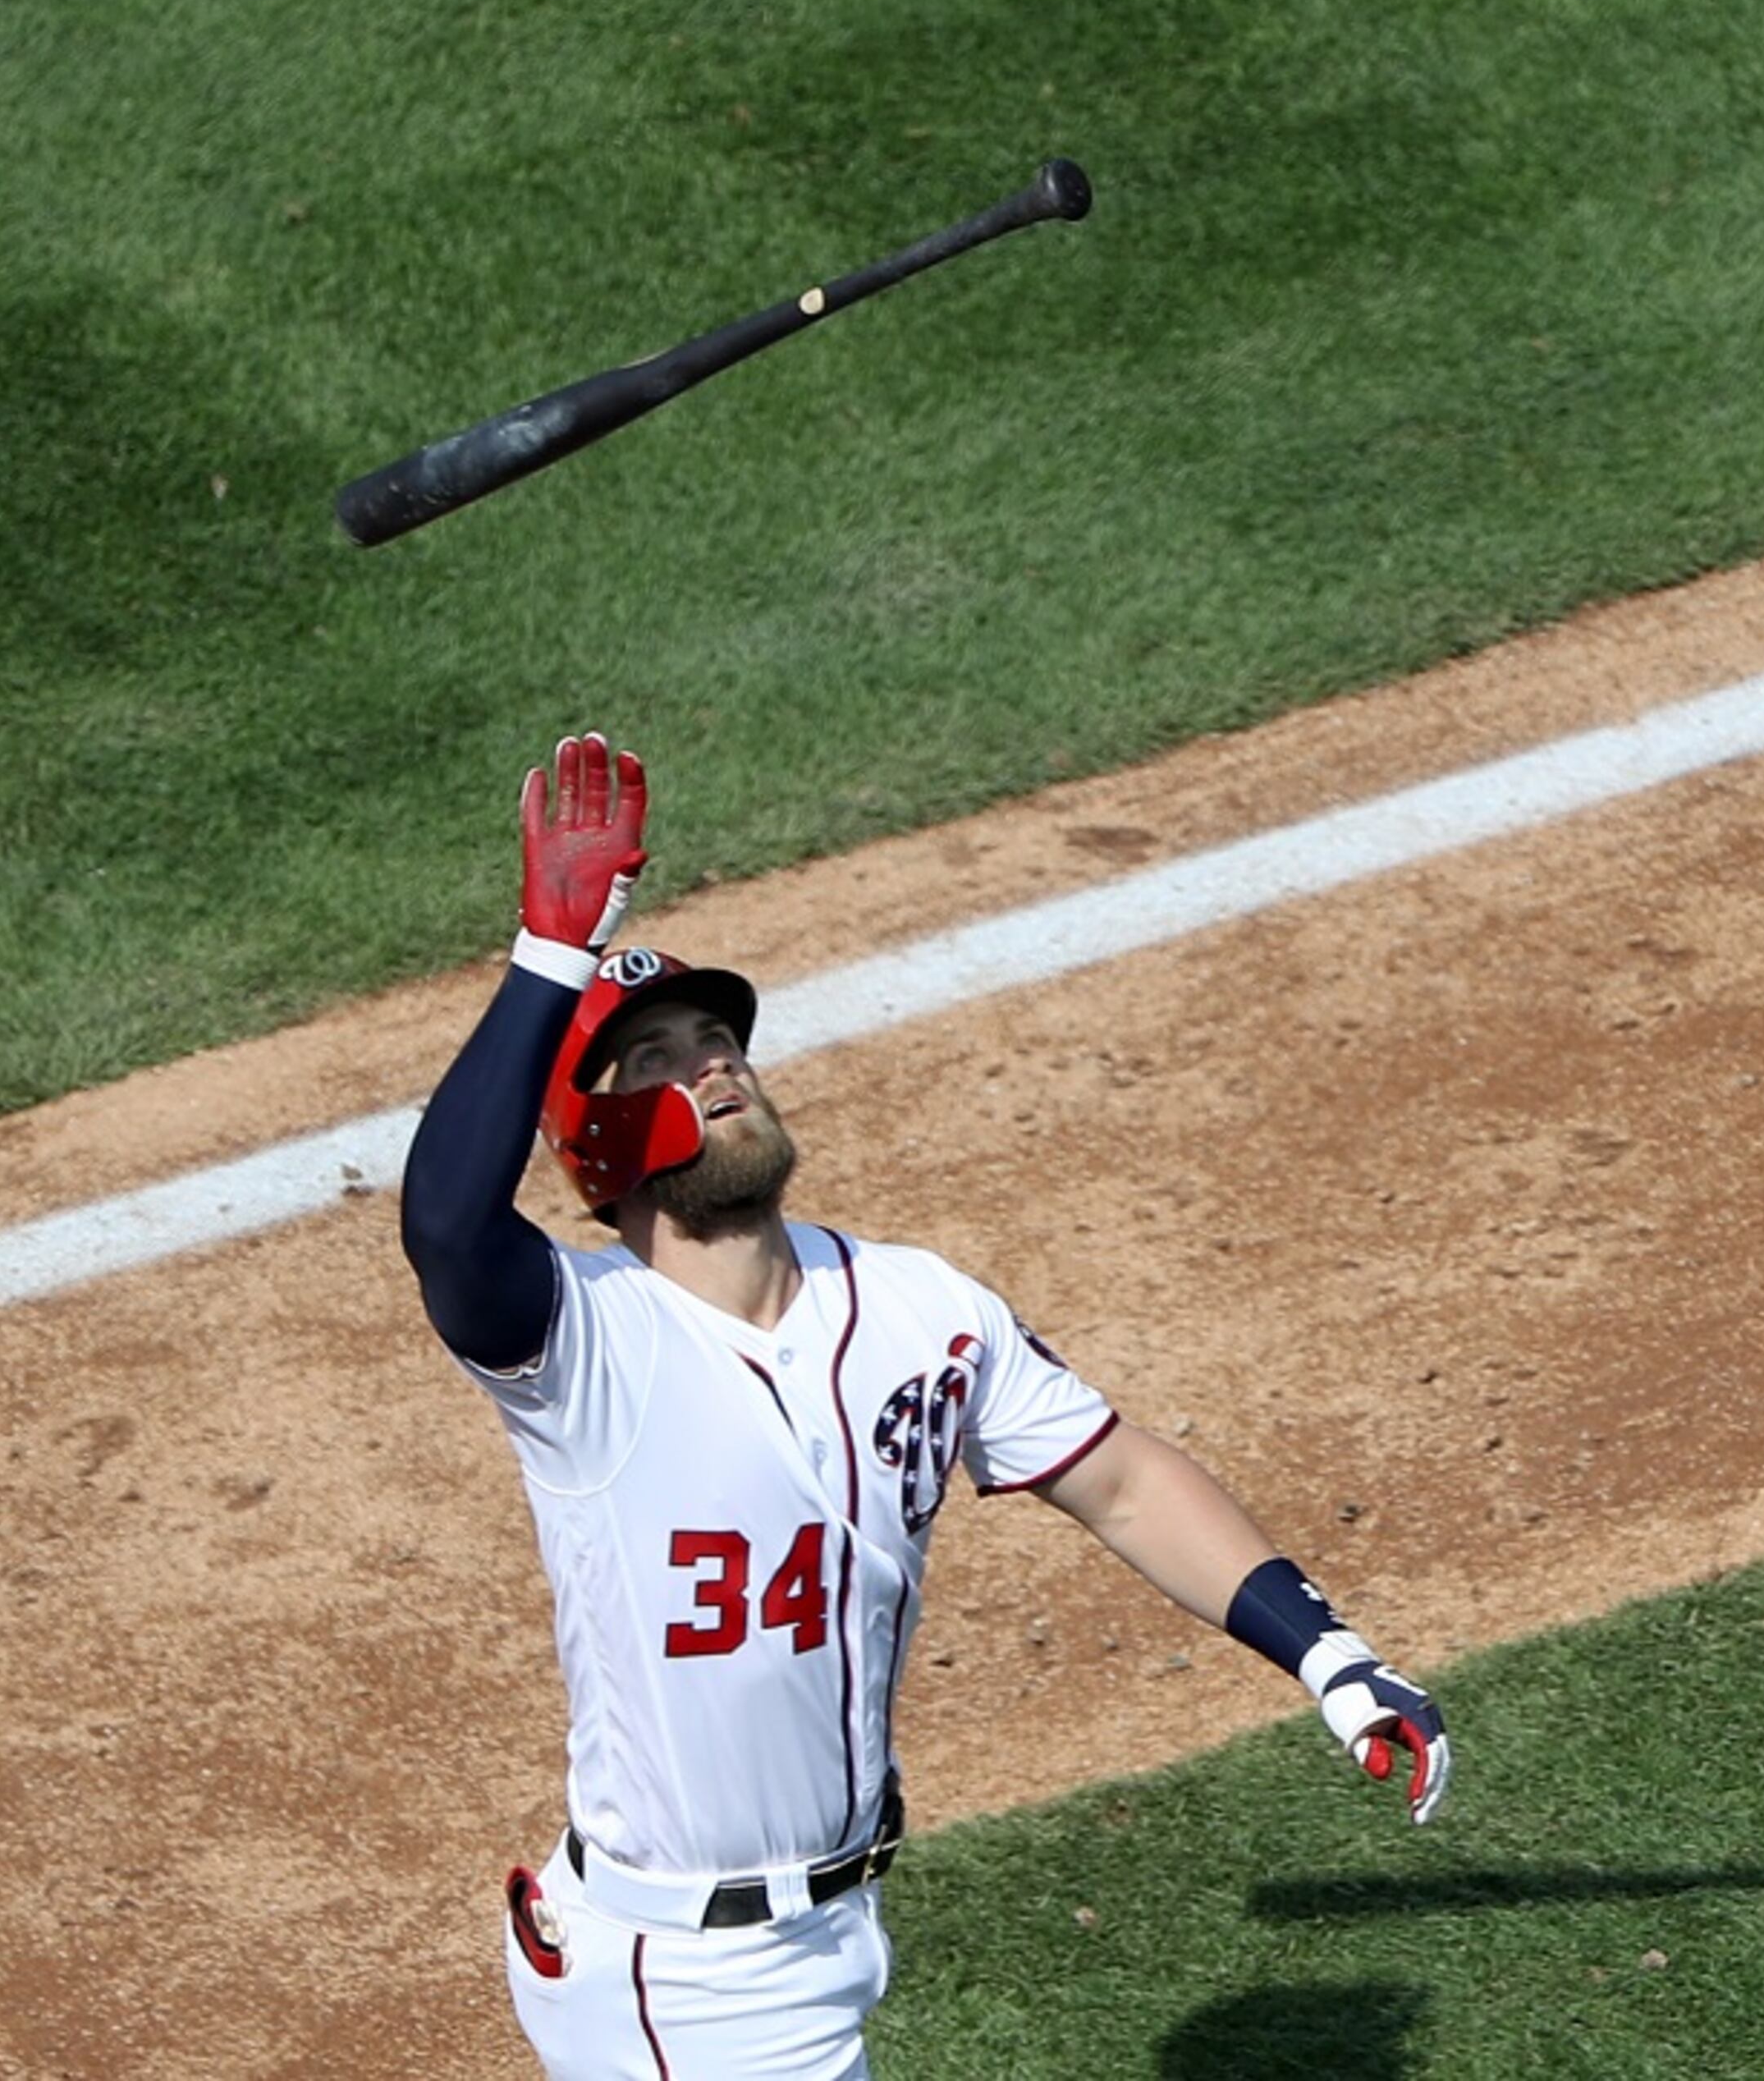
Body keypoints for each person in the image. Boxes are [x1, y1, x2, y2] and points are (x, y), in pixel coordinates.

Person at [400, 732, 1450, 2080]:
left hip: (834, 1931)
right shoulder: (580, 1348)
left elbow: (1119, 1476)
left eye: (718, 1037)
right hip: (680, 1979)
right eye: (656, 1057)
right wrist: (550, 956)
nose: (714, 1065)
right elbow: (445, 1225)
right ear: (598, 1138)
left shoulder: (919, 1308)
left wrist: (1332, 1657)